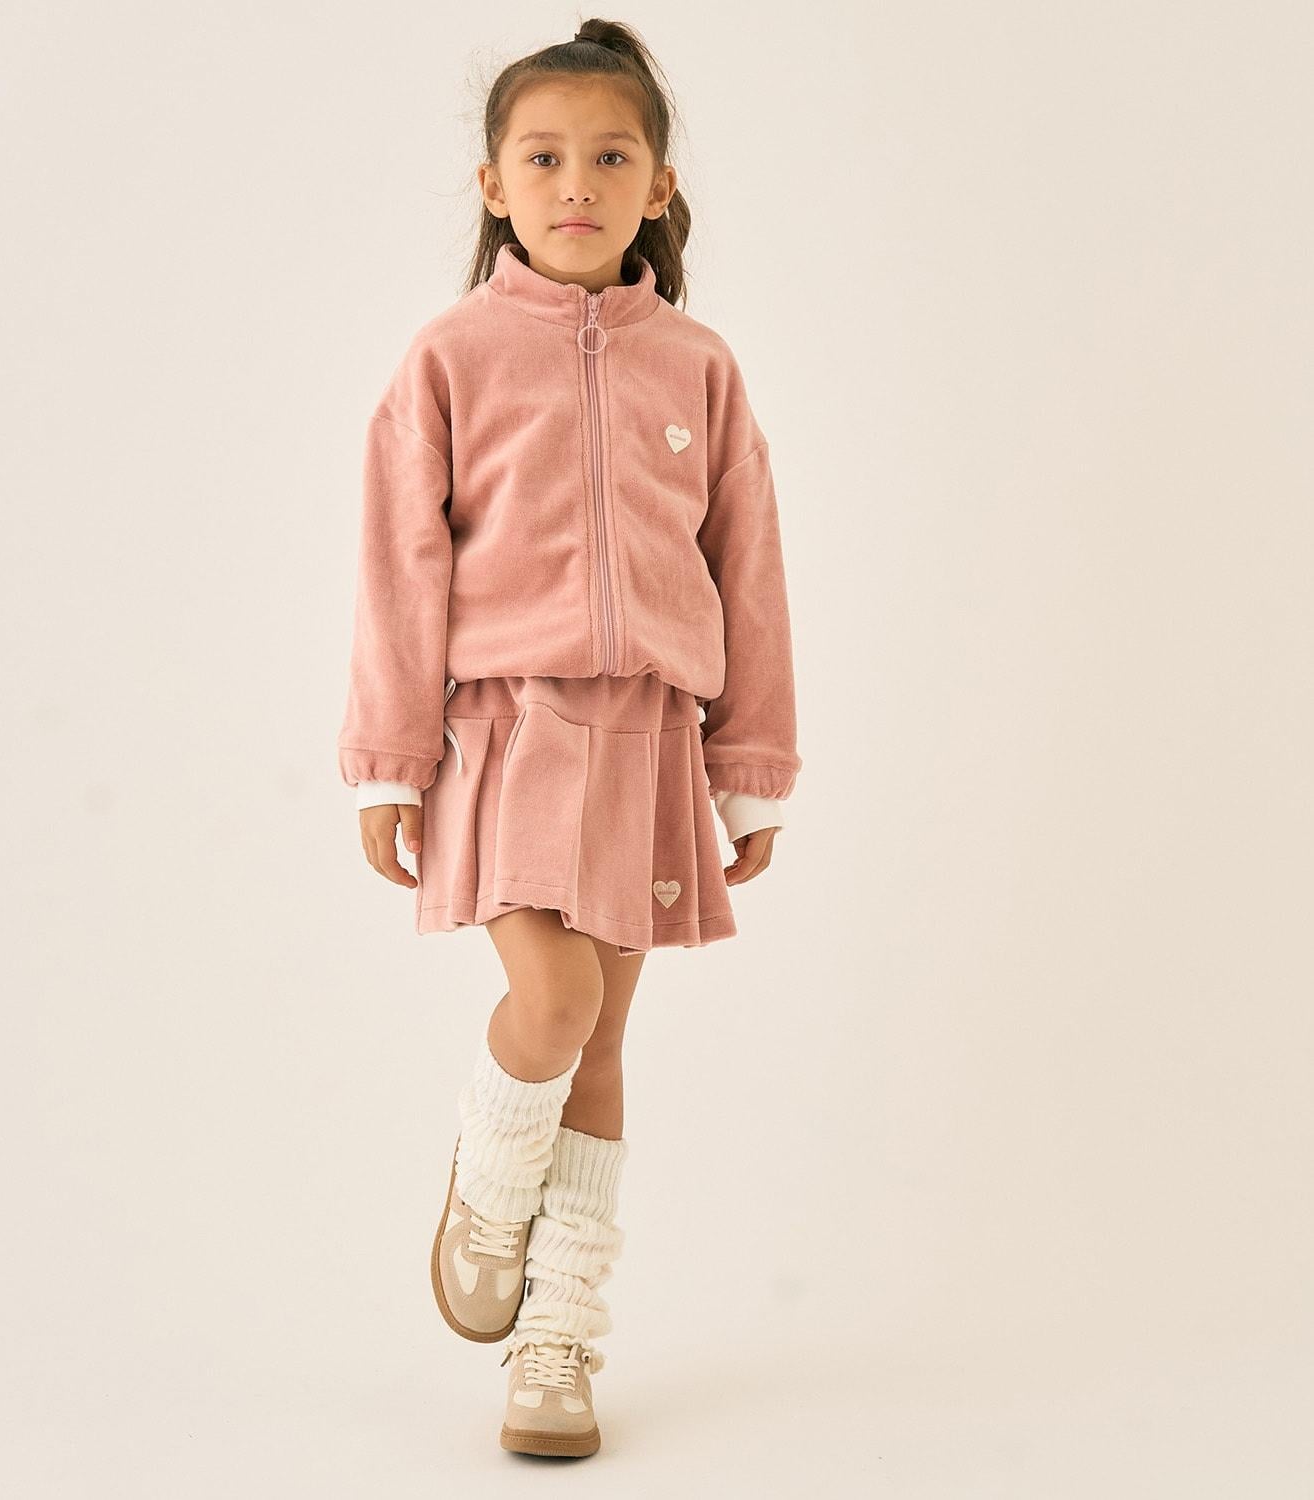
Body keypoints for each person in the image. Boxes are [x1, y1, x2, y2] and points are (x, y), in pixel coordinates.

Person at [336, 18, 802, 1458]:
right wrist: (388, 756)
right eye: (543, 158)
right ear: (495, 185)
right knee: (553, 1003)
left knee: (602, 1045)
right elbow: (400, 566)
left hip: (650, 738)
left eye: (610, 156)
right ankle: (488, 1191)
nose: (577, 183)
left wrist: (748, 767)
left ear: (659, 186)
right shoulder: (449, 358)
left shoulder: (702, 369)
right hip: (505, 728)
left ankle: (560, 1342)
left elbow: (750, 570)